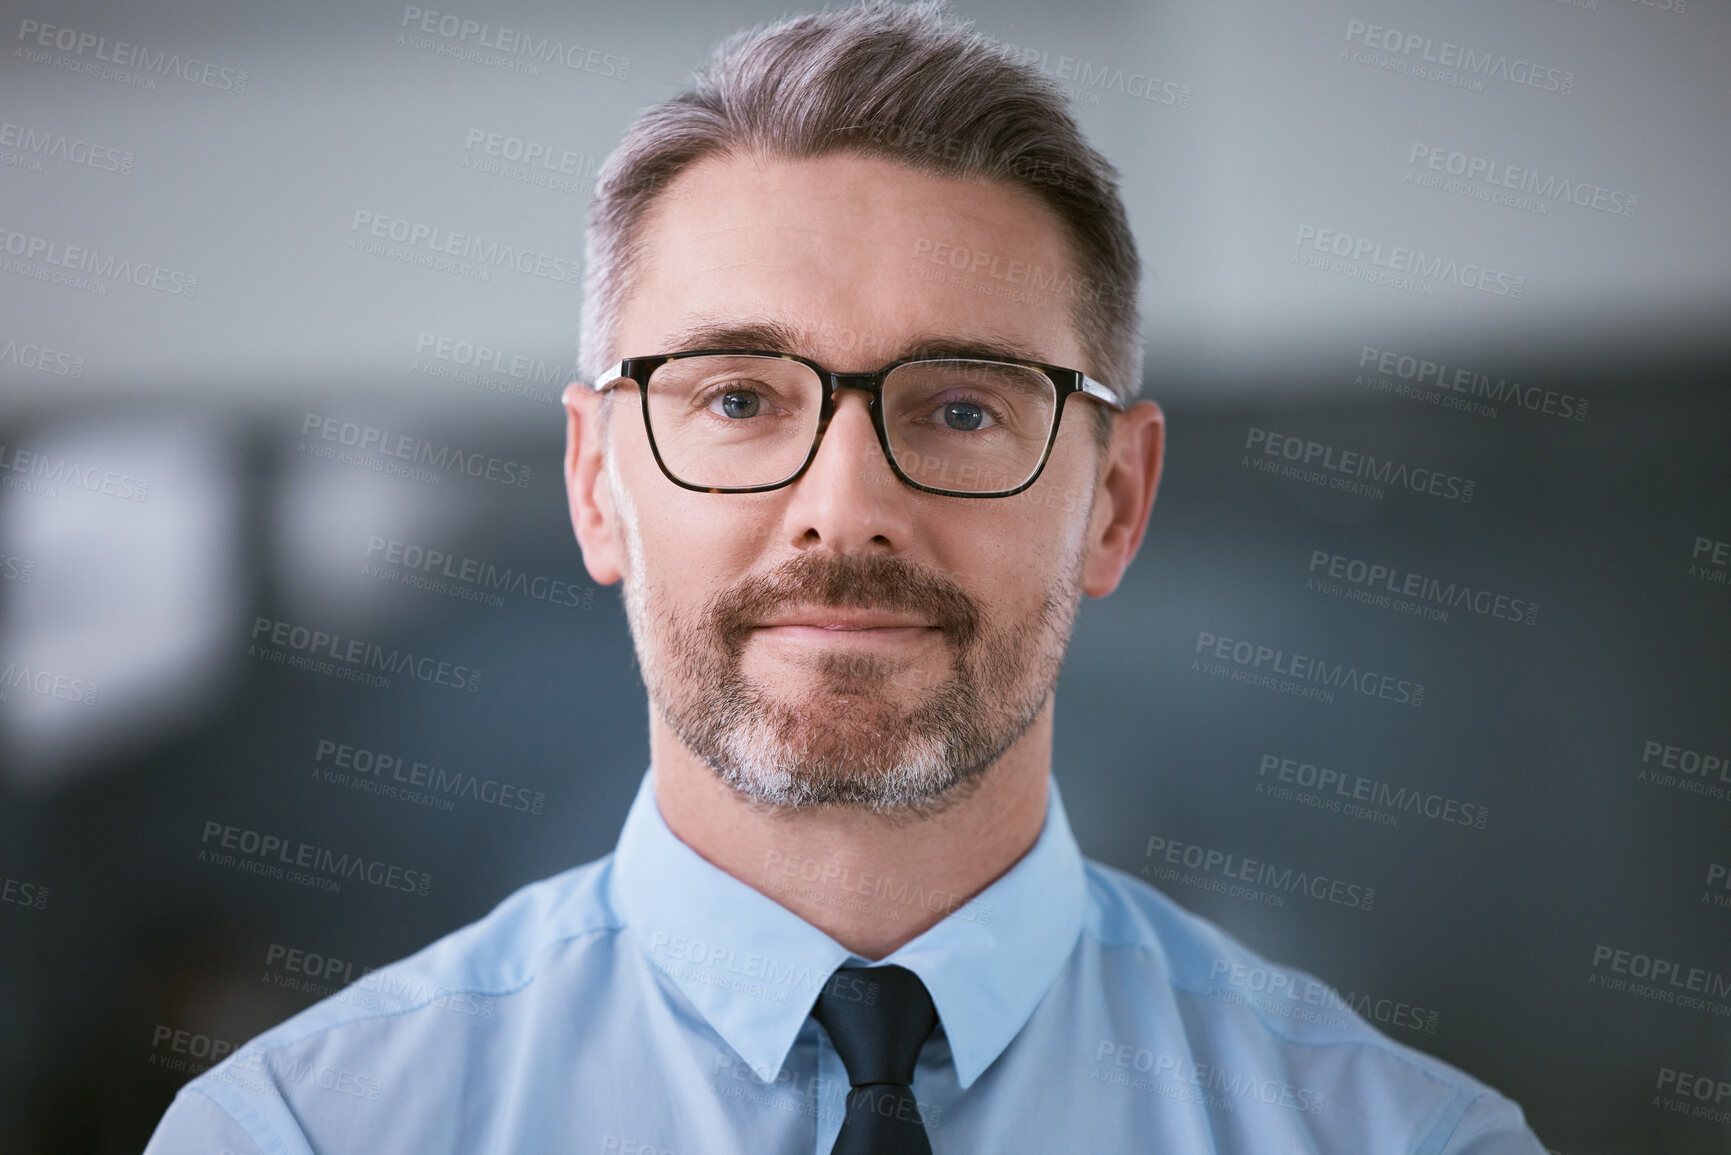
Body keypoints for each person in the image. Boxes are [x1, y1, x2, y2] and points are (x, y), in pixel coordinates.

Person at [147, 3, 1547, 1151]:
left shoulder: (1407, 1143)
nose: (845, 510)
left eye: (958, 406)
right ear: (595, 483)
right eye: (742, 401)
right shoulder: (298, 1138)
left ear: (1115, 501)